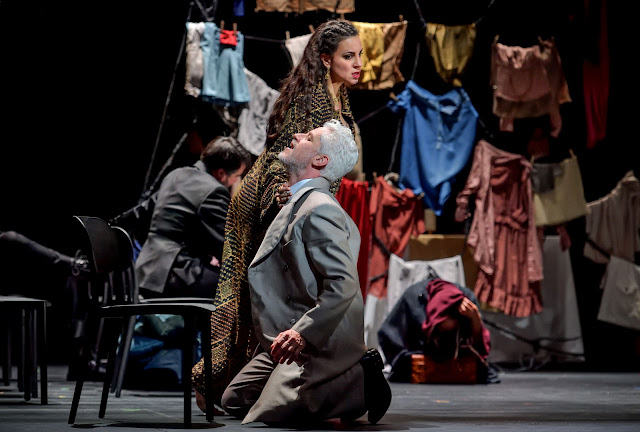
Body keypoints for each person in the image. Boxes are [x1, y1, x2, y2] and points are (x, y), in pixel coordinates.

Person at [192, 19, 363, 407]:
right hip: (270, 197)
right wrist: (289, 204)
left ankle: (253, 380)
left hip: (300, 199)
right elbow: (288, 156)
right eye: (348, 56)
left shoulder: (339, 97)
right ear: (324, 59)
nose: (358, 64)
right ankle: (213, 383)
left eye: (360, 56)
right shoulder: (311, 100)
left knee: (280, 288)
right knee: (253, 288)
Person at [221, 119, 391, 425]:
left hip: (315, 339)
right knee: (234, 400)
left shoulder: (320, 207)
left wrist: (303, 333)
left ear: (320, 160)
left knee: (268, 414)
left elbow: (343, 283)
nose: (297, 135)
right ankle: (308, 382)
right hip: (283, 331)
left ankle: (360, 378)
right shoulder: (297, 199)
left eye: (308, 137)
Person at [134, 135, 251, 299]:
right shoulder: (213, 190)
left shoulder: (175, 175)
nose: (236, 181)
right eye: (237, 176)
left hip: (144, 270)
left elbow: (143, 218)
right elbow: (229, 249)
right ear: (221, 173)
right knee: (244, 288)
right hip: (176, 273)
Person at [377, 273, 494, 384]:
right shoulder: (414, 300)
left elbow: (481, 351)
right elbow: (389, 338)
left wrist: (475, 320)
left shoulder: (467, 301)